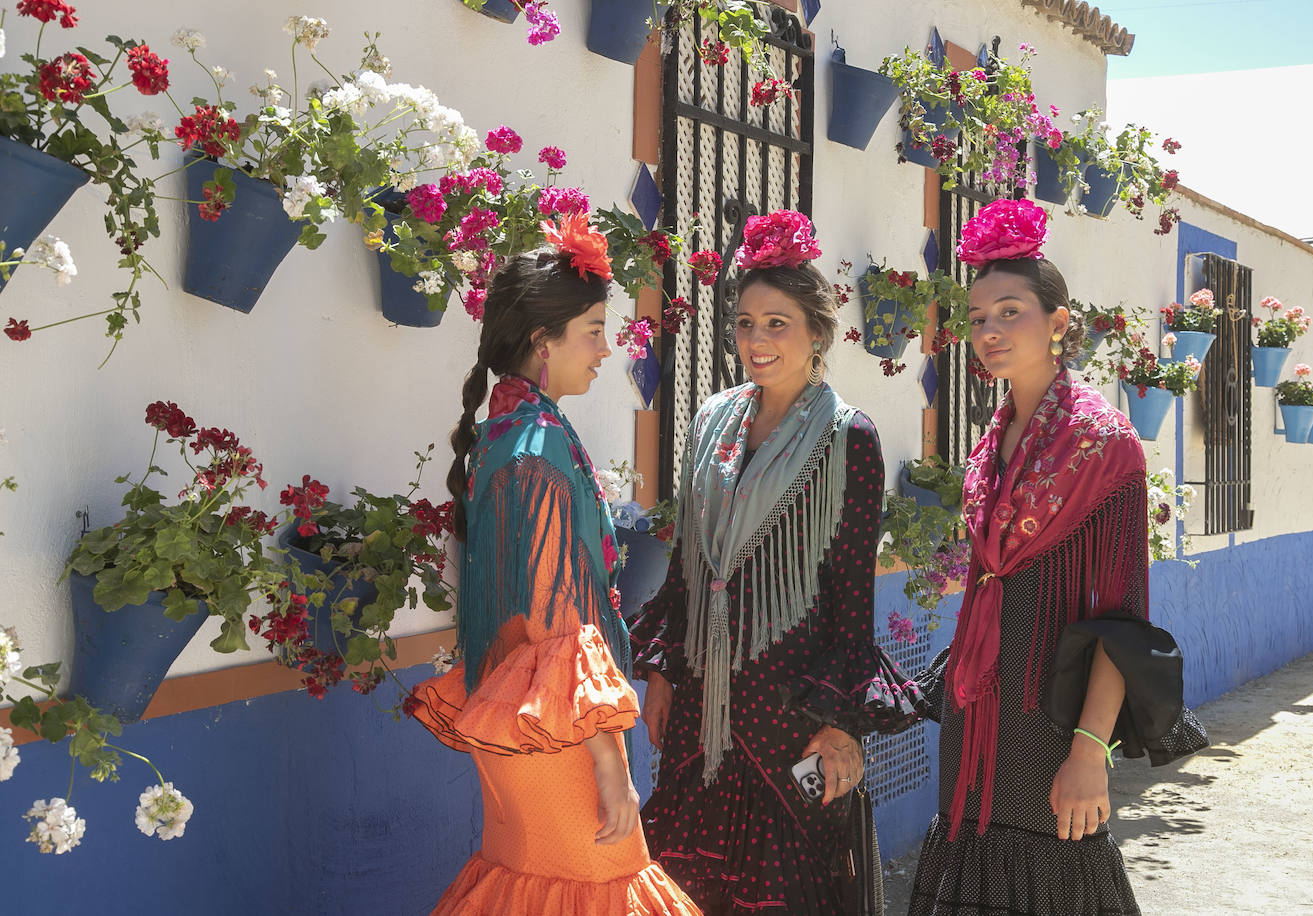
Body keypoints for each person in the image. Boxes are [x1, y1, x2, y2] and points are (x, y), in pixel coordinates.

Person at [906, 199, 1206, 916]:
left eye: (1010, 311)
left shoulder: (1107, 448)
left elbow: (1122, 623)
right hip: (977, 716)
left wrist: (1088, 752)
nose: (989, 332)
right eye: (978, 319)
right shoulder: (988, 446)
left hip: (1053, 722)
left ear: (1059, 323)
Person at [631, 210, 922, 915]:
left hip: (789, 709)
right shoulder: (711, 422)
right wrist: (665, 673)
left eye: (777, 323)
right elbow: (686, 565)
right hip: (704, 705)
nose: (756, 341)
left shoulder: (848, 438)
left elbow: (850, 596)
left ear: (817, 333)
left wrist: (841, 725)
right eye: (744, 323)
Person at [408, 215, 701, 916]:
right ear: (544, 342)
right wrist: (609, 760)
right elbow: (552, 617)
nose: (607, 350)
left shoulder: (509, 435)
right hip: (555, 731)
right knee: (593, 889)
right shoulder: (536, 448)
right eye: (594, 331)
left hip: (524, 718)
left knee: (527, 887)